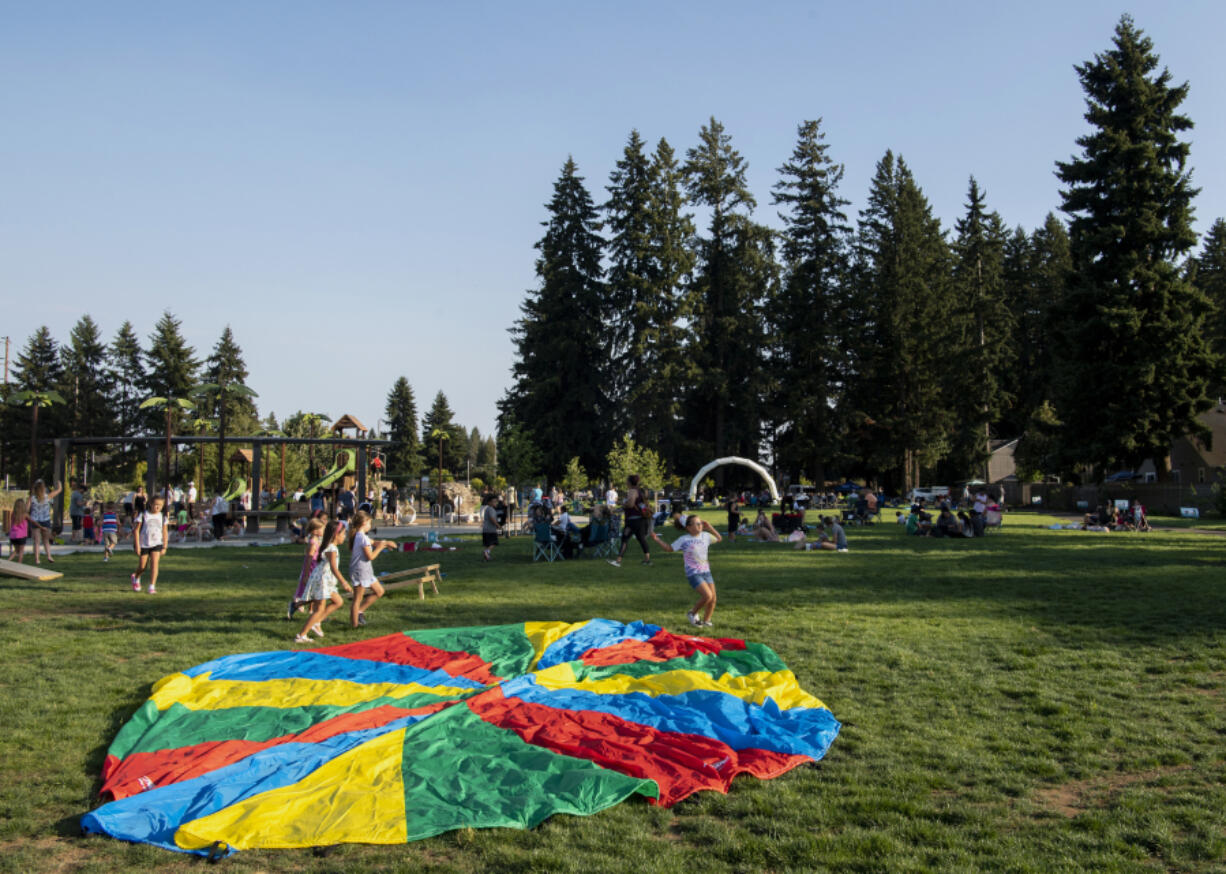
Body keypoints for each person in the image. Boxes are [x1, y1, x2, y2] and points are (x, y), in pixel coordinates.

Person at [650, 513, 722, 628]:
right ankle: (692, 613)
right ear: (688, 527)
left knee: (713, 599)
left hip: (706, 572)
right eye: (696, 524)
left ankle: (707, 621)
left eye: (700, 523)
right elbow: (669, 548)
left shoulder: (705, 536)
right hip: (693, 573)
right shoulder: (684, 539)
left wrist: (710, 527)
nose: (700, 526)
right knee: (707, 596)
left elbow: (719, 538)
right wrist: (657, 539)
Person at [296, 520, 353, 644]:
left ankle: (317, 622)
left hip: (326, 581)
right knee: (319, 610)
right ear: (335, 535)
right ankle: (301, 635)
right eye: (343, 534)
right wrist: (344, 582)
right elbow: (333, 568)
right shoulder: (331, 549)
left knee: (338, 601)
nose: (344, 537)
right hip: (323, 581)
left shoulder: (330, 547)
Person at [348, 510, 394, 628]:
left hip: (366, 571)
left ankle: (359, 612)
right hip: (360, 571)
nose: (370, 525)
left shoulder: (362, 536)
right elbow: (371, 556)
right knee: (357, 599)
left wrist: (385, 543)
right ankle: (354, 626)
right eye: (369, 523)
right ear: (364, 523)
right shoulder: (362, 537)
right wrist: (380, 548)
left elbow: (373, 542)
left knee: (379, 591)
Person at [287, 516, 327, 619]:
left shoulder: (317, 541)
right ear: (315, 531)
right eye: (322, 529)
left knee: (317, 595)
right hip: (311, 572)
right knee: (314, 595)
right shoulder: (312, 544)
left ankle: (315, 613)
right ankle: (297, 606)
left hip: (317, 570)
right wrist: (305, 576)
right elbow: (308, 561)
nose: (324, 531)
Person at [609, 474, 651, 567]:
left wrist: (623, 504)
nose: (626, 482)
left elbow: (631, 504)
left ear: (629, 482)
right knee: (641, 539)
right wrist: (619, 508)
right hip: (640, 520)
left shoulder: (632, 491)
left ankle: (618, 561)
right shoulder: (639, 491)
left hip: (632, 521)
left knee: (624, 539)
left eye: (627, 481)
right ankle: (647, 560)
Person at [130, 495, 170, 594]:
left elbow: (165, 531)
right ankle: (136, 577)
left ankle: (152, 586)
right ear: (151, 504)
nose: (158, 507)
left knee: (154, 564)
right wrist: (137, 545)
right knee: (142, 567)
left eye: (160, 505)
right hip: (144, 544)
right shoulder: (144, 515)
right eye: (156, 505)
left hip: (157, 543)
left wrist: (165, 546)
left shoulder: (162, 517)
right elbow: (136, 531)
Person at [28, 479, 62, 565]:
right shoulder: (48, 497)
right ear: (43, 488)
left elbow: (26, 509)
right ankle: (49, 556)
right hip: (45, 520)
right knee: (46, 540)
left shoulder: (31, 498)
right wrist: (59, 484)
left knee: (36, 541)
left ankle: (37, 559)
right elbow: (59, 490)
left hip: (35, 520)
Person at [7, 498, 29, 563]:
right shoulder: (25, 515)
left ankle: (8, 561)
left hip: (13, 536)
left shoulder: (13, 514)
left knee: (16, 550)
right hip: (22, 535)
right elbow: (33, 521)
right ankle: (19, 564)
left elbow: (10, 523)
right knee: (21, 551)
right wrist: (41, 527)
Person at [481, 493, 500, 561]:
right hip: (490, 530)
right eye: (494, 502)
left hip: (485, 530)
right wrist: (497, 525)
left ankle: (487, 556)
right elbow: (492, 518)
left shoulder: (487, 509)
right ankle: (487, 552)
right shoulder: (491, 509)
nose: (495, 503)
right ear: (489, 502)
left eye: (496, 502)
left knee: (487, 544)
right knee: (494, 542)